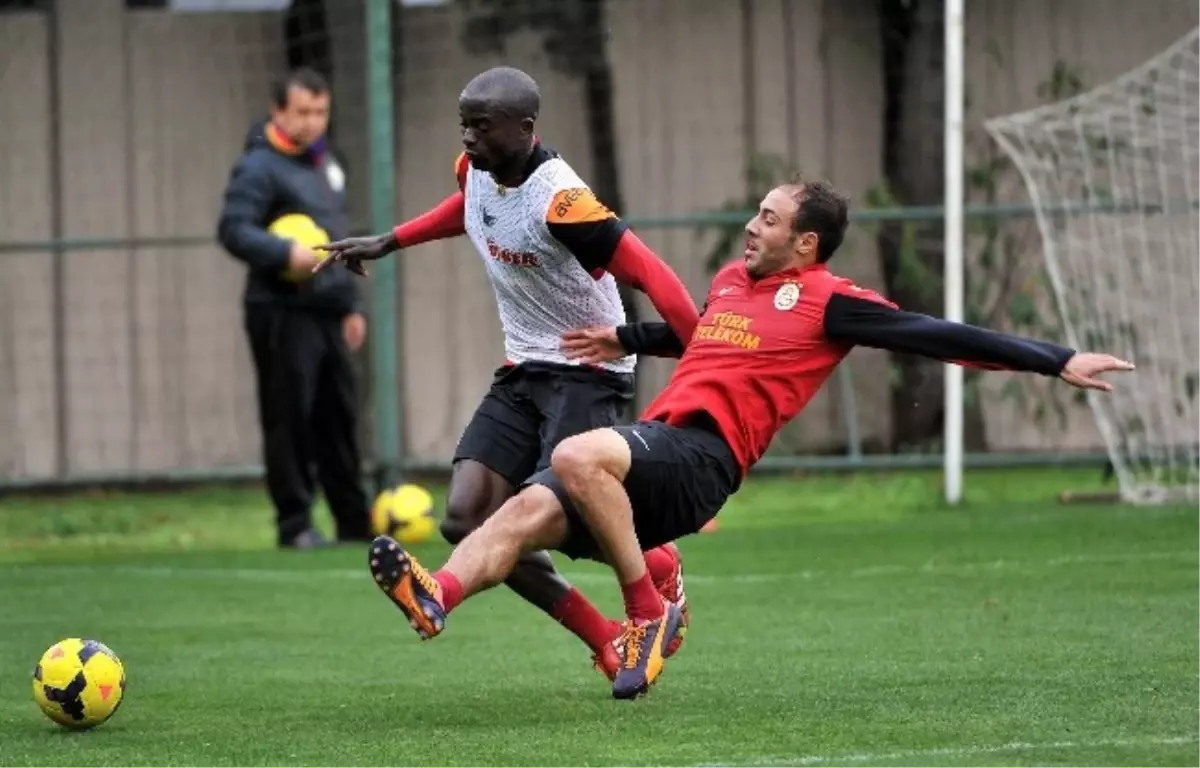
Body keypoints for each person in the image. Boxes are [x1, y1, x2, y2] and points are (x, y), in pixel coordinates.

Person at [360, 176, 1136, 700]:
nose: (749, 226)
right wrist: (624, 334)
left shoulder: (831, 301)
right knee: (515, 516)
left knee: (571, 454)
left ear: (807, 244)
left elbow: (936, 334)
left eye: (768, 218)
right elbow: (710, 339)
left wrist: (1056, 359)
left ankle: (647, 616)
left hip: (704, 461)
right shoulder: (733, 285)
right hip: (655, 450)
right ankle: (438, 597)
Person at [315, 67, 701, 679]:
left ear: (525, 129)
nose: (468, 137)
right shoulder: (476, 171)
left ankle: (656, 567)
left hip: (585, 370)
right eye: (464, 124)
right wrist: (388, 242)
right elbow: (469, 210)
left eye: (482, 126)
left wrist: (696, 346)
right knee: (465, 519)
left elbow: (653, 275)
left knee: (557, 510)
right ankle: (605, 637)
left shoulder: (565, 203)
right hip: (523, 367)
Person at [217, 67, 371, 549]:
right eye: (303, 111)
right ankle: (295, 523)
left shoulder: (327, 163)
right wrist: (286, 255)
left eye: (321, 111)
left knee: (339, 417)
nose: (313, 121)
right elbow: (233, 229)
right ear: (278, 112)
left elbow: (337, 238)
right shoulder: (258, 167)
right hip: (280, 311)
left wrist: (350, 304)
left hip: (328, 310)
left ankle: (354, 523)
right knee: (290, 417)